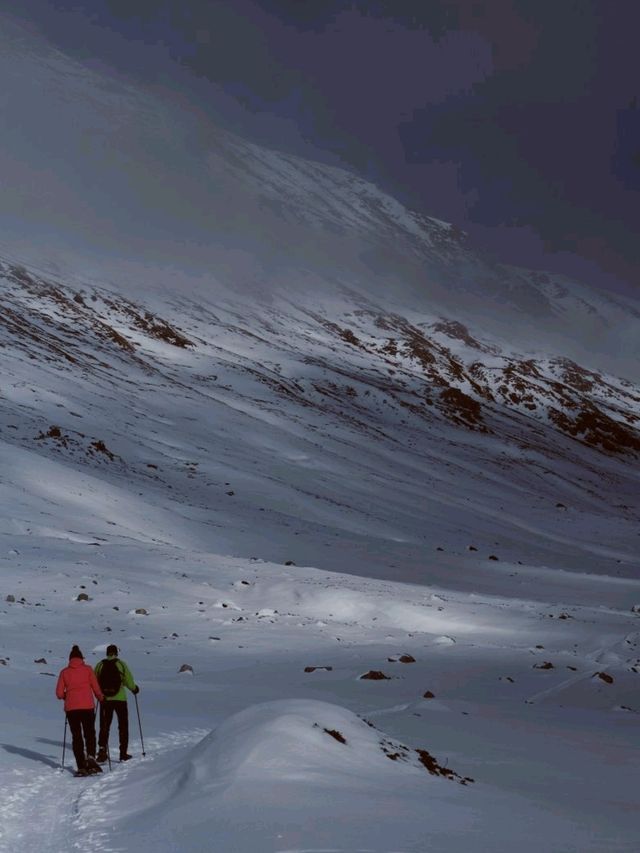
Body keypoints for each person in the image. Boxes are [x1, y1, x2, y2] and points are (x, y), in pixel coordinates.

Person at [56, 645, 104, 777]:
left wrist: (67, 696)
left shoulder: (64, 672)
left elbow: (59, 693)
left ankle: (81, 766)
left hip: (71, 709)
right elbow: (95, 687)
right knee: (89, 733)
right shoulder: (88, 669)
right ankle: (91, 758)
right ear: (81, 658)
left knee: (76, 736)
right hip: (87, 707)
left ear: (70, 659)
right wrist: (100, 697)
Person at [95, 644, 139, 763]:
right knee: (123, 726)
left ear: (107, 653)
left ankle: (102, 751)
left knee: (104, 726)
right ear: (116, 653)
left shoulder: (100, 665)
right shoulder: (121, 664)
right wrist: (134, 689)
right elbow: (128, 680)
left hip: (105, 700)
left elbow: (94, 681)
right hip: (120, 699)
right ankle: (123, 753)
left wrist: (98, 695)